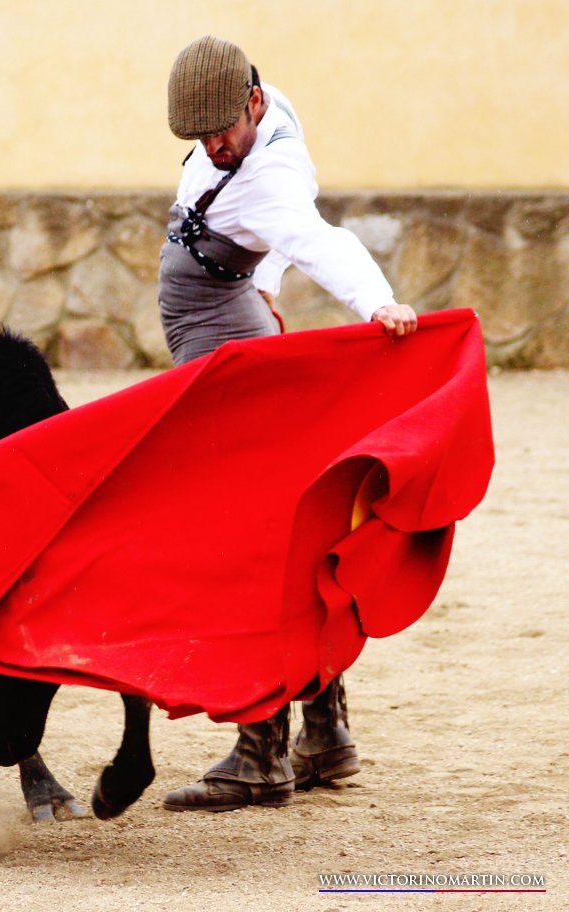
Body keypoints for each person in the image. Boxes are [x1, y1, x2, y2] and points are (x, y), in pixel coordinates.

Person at [157, 35, 418, 812]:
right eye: (200, 136)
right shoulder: (268, 123)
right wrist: (264, 279)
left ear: (253, 101)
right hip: (233, 334)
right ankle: (324, 733)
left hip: (224, 348)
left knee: (241, 545)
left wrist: (376, 303)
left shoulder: (265, 172)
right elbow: (279, 224)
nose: (213, 146)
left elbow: (313, 237)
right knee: (275, 534)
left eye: (221, 132)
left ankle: (261, 751)